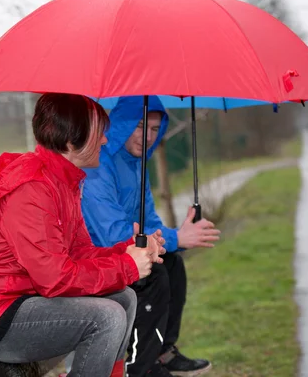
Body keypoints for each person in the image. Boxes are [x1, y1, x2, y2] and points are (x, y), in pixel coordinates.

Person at [0, 93, 166, 377]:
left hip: (19, 300)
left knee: (124, 298)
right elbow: (55, 278)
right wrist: (126, 267)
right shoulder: (32, 187)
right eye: (99, 134)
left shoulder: (63, 182)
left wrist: (127, 251)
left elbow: (80, 254)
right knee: (106, 317)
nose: (105, 141)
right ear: (72, 141)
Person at [81, 95, 221, 377]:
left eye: (155, 129)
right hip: (95, 261)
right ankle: (141, 369)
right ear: (120, 124)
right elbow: (111, 235)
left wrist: (174, 239)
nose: (148, 136)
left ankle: (162, 352)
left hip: (124, 251)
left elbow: (150, 221)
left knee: (170, 263)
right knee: (152, 275)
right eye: (140, 125)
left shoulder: (137, 164)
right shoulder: (99, 165)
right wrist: (176, 238)